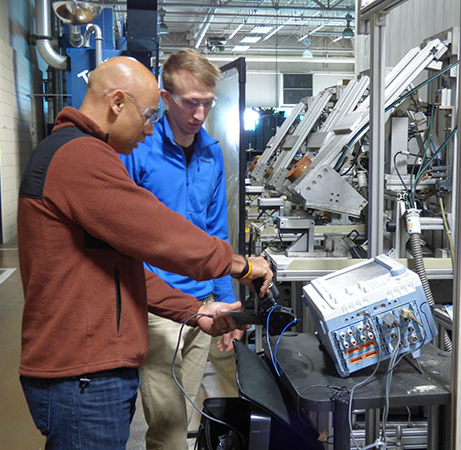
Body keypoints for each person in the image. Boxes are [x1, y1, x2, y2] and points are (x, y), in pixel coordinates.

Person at [17, 56, 273, 450]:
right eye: (150, 113)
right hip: (82, 370)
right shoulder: (80, 157)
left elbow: (119, 270)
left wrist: (195, 309)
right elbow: (157, 234)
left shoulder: (82, 153)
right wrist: (240, 265)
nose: (150, 127)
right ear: (118, 102)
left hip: (97, 362)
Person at [120, 49, 241, 450]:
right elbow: (125, 234)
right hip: (156, 307)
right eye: (191, 102)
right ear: (165, 97)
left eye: (207, 102)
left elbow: (216, 233)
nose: (200, 113)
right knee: (168, 428)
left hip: (204, 302)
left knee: (187, 413)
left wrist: (225, 303)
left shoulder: (211, 153)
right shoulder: (139, 150)